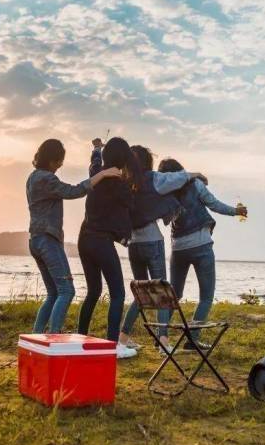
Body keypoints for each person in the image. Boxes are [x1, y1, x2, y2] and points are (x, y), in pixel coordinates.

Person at [118, 145, 209, 350]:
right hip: (152, 242)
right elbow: (176, 178)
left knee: (141, 293)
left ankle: (122, 339)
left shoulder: (124, 184)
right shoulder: (153, 179)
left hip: (133, 244)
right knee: (162, 294)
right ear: (147, 162)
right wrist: (195, 174)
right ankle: (163, 341)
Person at [27, 138, 121, 334]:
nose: (60, 165)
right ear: (51, 160)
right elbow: (74, 191)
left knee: (53, 293)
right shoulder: (47, 179)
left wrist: (96, 150)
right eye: (59, 161)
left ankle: (36, 338)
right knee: (67, 291)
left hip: (35, 240)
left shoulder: (32, 177)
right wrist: (102, 174)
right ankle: (53, 336)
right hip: (47, 239)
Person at [157, 158, 248, 352]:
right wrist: (236, 211)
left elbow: (164, 217)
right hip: (201, 246)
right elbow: (214, 205)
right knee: (206, 297)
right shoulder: (195, 184)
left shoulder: (164, 193)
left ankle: (161, 336)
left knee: (174, 294)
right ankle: (193, 339)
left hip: (178, 249)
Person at [77, 137, 141, 359]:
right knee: (118, 293)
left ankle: (80, 338)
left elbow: (94, 162)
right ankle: (113, 346)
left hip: (84, 239)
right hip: (101, 241)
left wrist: (96, 148)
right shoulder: (119, 186)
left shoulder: (97, 174)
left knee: (93, 291)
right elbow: (131, 204)